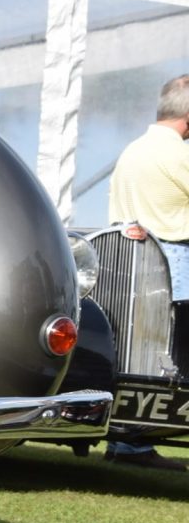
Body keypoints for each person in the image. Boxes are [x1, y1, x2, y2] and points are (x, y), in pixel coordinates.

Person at [104, 73, 189, 471]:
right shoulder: (179, 156)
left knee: (137, 357)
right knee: (175, 359)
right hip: (175, 267)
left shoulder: (132, 151)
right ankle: (135, 444)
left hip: (131, 269)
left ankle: (127, 442)